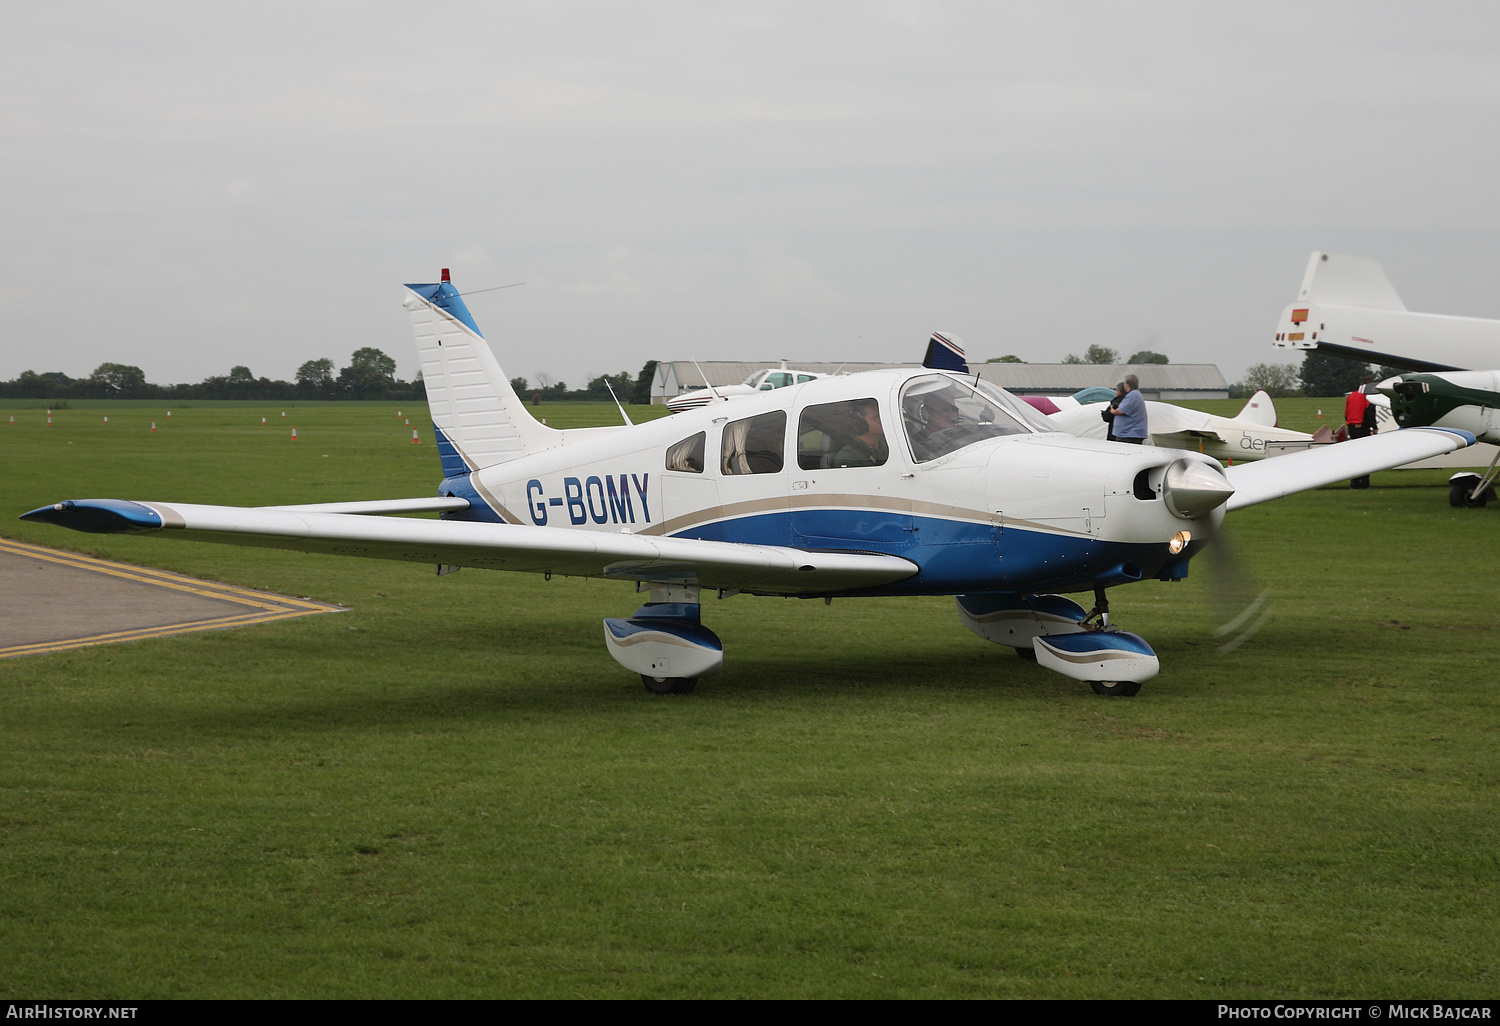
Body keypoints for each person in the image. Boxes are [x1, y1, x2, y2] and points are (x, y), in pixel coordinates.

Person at [908, 390, 960, 461]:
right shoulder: (917, 444)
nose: (951, 414)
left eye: (954, 409)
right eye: (944, 409)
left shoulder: (958, 436)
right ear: (927, 413)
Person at [834, 399, 888, 467]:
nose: (881, 419)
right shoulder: (848, 456)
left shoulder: (886, 447)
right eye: (875, 417)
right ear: (860, 423)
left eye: (881, 415)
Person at [1345, 376, 1378, 488]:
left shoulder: (1351, 396)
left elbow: (1346, 414)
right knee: (1365, 456)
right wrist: (1374, 427)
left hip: (1352, 427)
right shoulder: (1368, 397)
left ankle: (1354, 482)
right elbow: (1369, 413)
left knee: (1356, 456)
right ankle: (1364, 483)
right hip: (1362, 427)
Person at [1108, 374, 1147, 444]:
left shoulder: (1132, 395)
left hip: (1129, 435)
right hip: (1129, 434)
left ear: (1127, 384)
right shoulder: (1136, 394)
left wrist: (1113, 411)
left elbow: (1121, 411)